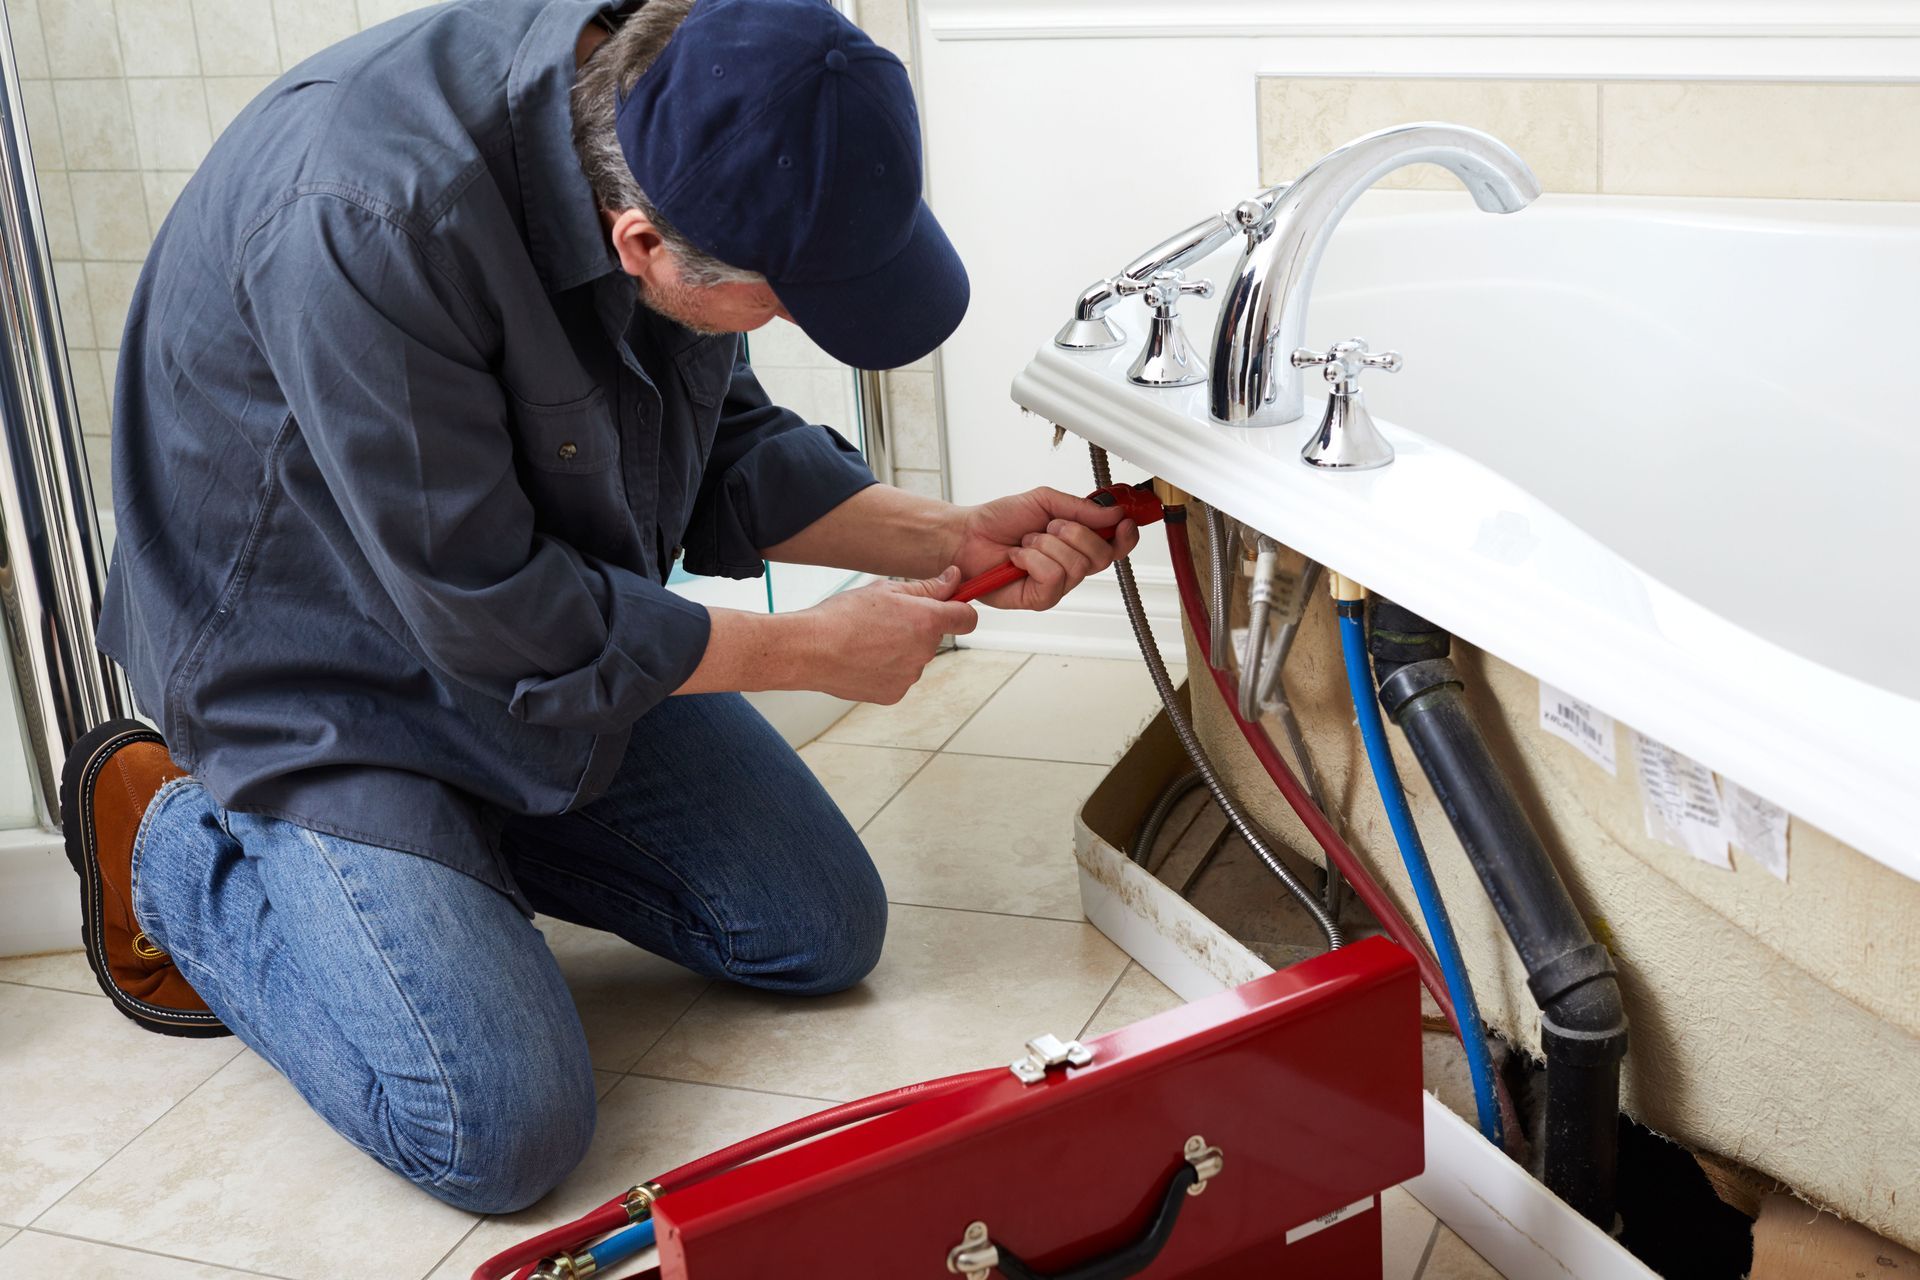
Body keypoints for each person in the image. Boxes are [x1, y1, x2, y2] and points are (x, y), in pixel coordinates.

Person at [60, 0, 1139, 1212]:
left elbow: (722, 443)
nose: (786, 321)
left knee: (817, 929)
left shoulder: (690, 113)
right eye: (781, 301)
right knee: (496, 1130)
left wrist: (950, 531)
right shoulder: (369, 214)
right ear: (642, 247)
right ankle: (175, 842)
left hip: (531, 621)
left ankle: (453, 856)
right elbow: (489, 604)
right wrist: (809, 651)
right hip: (326, 673)